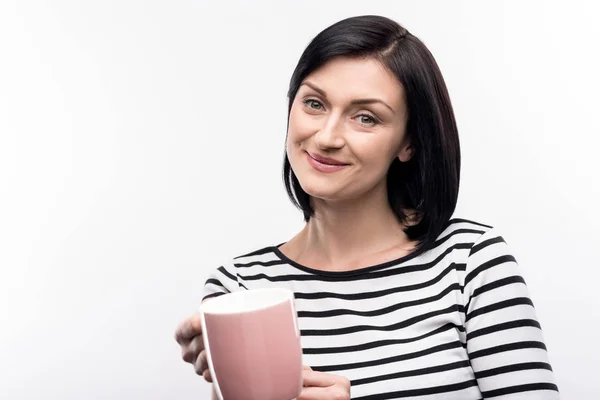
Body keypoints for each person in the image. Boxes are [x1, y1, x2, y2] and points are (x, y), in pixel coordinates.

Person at [174, 15, 559, 399]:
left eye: (366, 117)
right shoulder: (240, 286)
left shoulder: (469, 262)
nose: (326, 137)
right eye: (314, 103)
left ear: (408, 143)